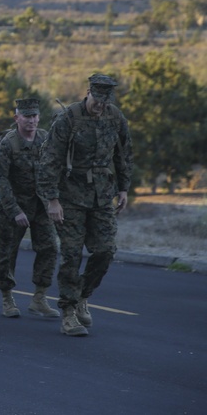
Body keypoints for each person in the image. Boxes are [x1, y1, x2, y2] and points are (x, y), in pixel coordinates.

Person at [38, 74, 132, 337]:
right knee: (71, 254)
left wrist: (124, 188)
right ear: (88, 92)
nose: (100, 106)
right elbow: (49, 161)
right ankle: (68, 312)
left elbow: (123, 154)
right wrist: (52, 199)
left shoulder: (115, 117)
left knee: (105, 251)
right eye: (97, 100)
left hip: (102, 195)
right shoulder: (68, 118)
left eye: (106, 101)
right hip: (70, 197)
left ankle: (82, 295)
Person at [0, 98, 60, 319]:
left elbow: (52, 170)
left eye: (34, 116)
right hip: (14, 206)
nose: (31, 120)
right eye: (26, 116)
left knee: (49, 248)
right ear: (17, 118)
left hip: (41, 206)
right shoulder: (8, 144)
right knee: (7, 252)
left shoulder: (44, 138)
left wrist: (53, 201)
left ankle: (39, 297)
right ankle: (7, 297)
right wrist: (14, 210)